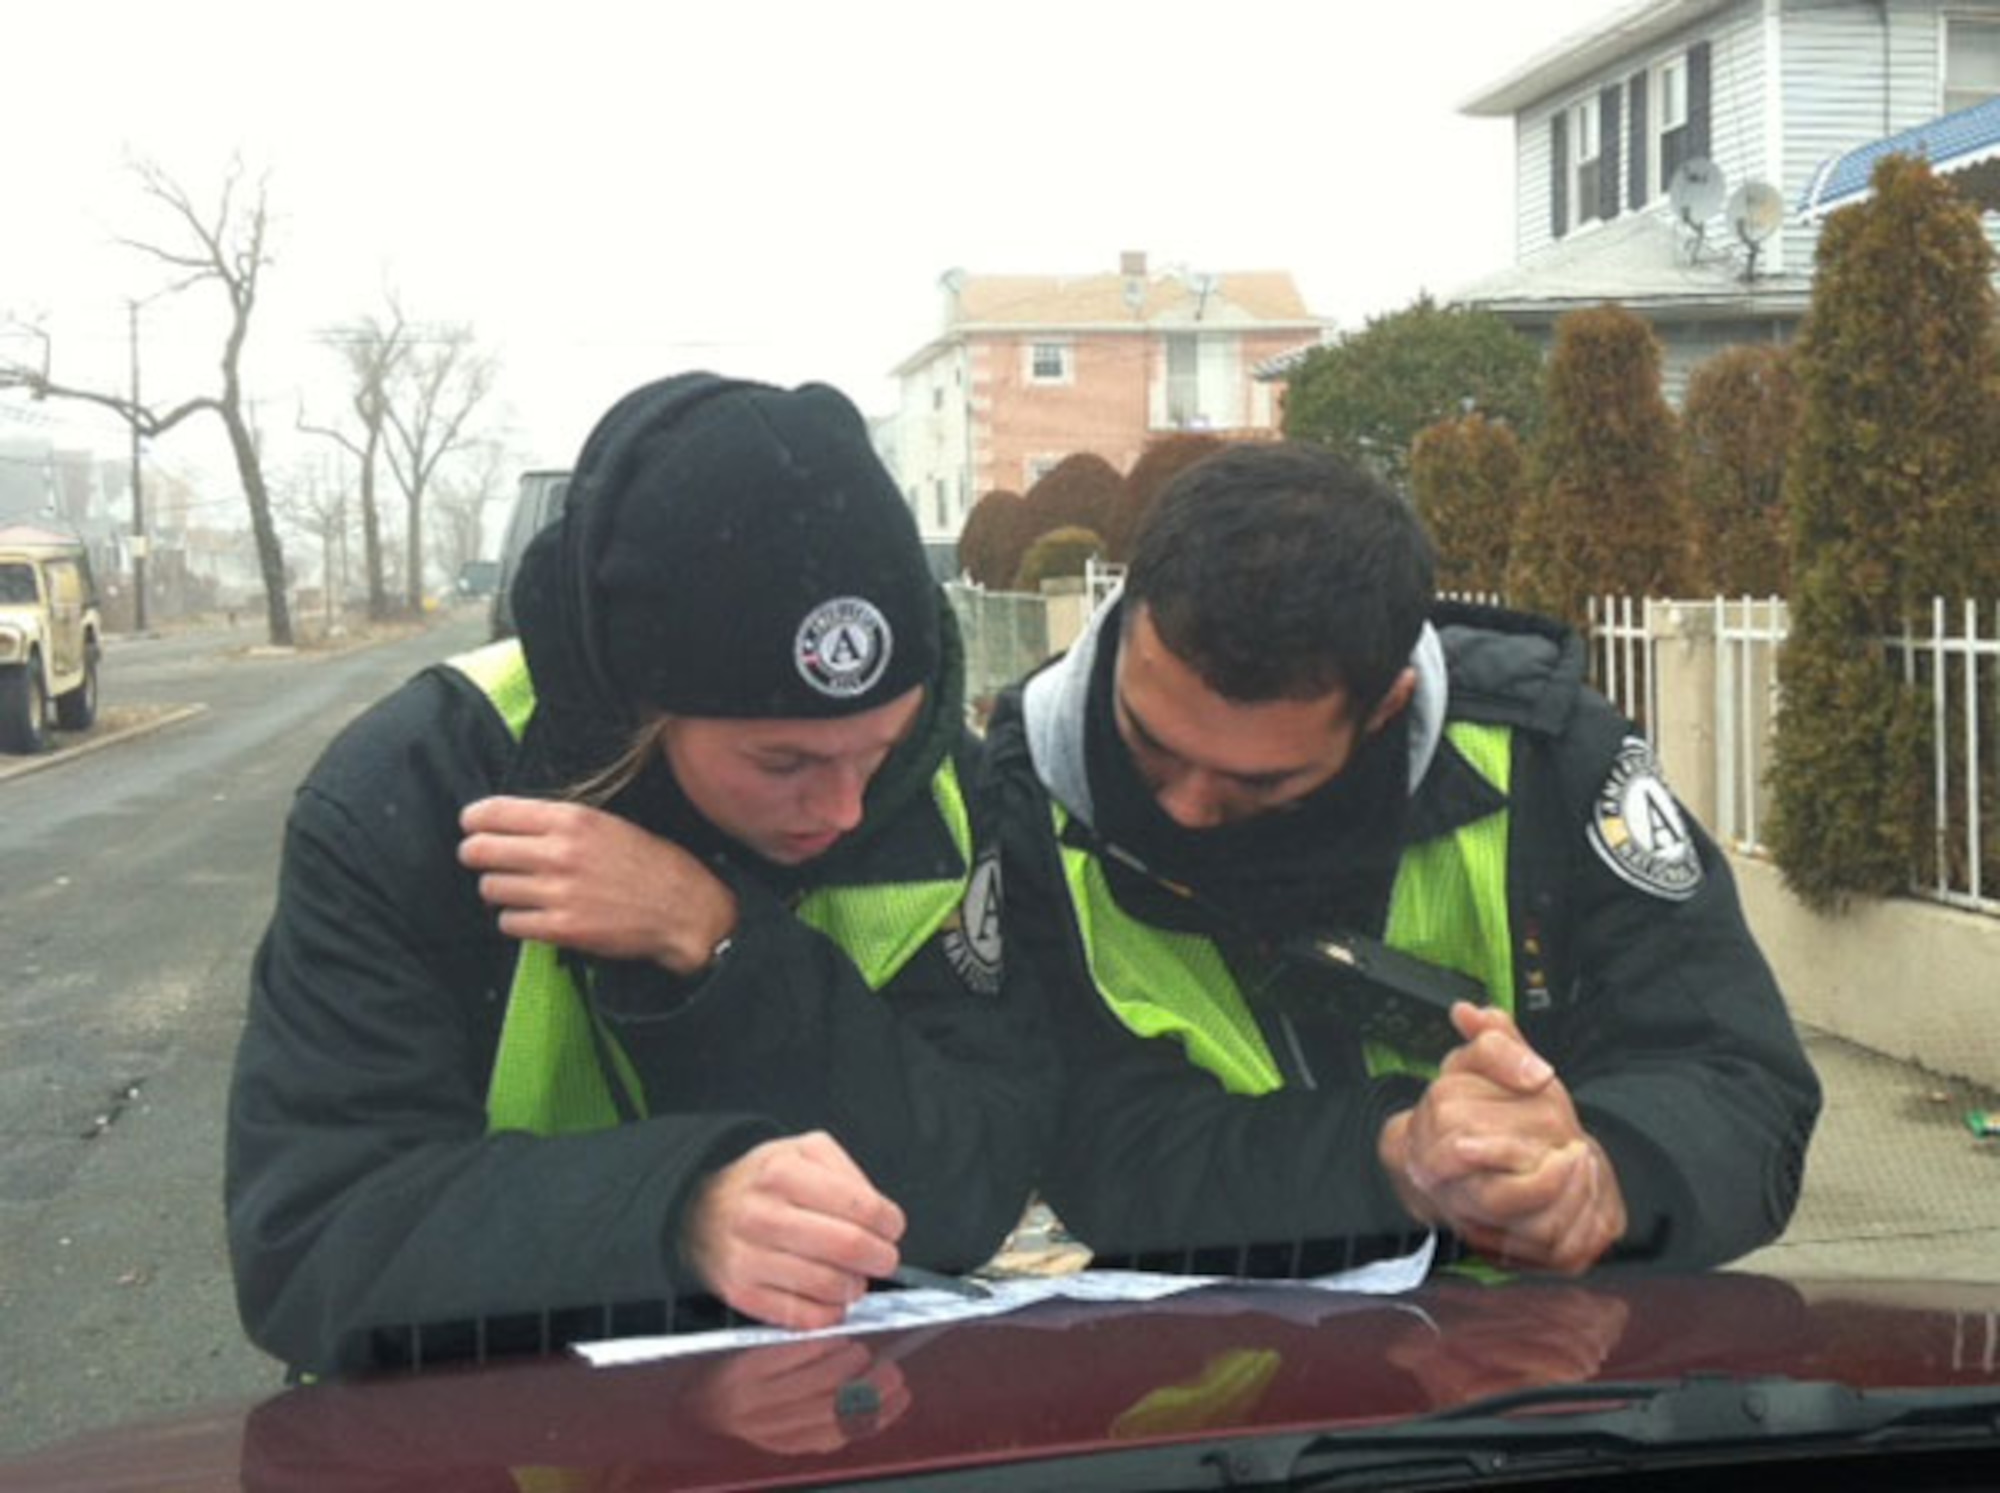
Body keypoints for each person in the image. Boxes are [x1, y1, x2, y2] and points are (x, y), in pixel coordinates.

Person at [226, 372, 1051, 1375]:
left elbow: (966, 1185)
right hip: (479, 1433)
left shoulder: (942, 792)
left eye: (874, 749)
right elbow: (313, 1242)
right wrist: (677, 1213)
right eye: (781, 763)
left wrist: (719, 938)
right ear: (640, 712)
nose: (842, 809)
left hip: (833, 1420)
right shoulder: (416, 787)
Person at [987, 440, 1820, 1277]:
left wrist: (1608, 1176)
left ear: (1388, 706)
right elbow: (1098, 1148)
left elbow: (1739, 1077)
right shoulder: (1023, 804)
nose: (1184, 808)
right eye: (1151, 747)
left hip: (1552, 1372)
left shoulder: (1547, 759)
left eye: (1257, 782)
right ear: (1129, 619)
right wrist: (1393, 1156)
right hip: (1212, 1374)